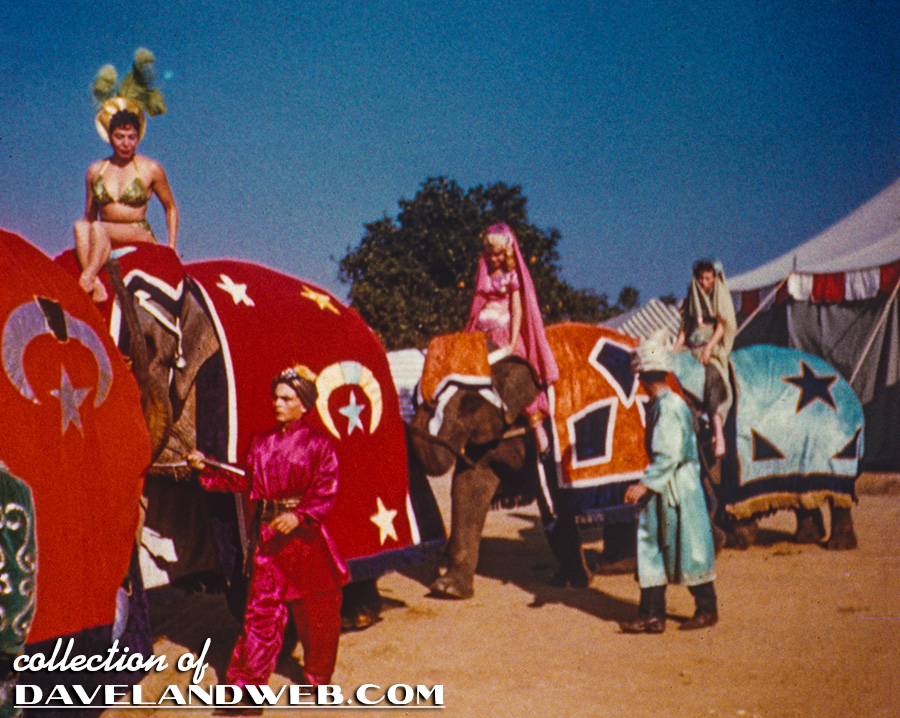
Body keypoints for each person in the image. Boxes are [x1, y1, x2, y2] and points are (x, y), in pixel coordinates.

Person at [186, 365, 349, 695]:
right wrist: (207, 467)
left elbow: (325, 487)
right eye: (276, 397)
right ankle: (246, 689)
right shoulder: (261, 443)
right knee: (259, 617)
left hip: (306, 543)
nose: (277, 404)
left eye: (286, 398)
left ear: (303, 404)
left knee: (318, 617)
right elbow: (244, 479)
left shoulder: (320, 446)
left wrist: (301, 515)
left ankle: (318, 677)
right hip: (269, 544)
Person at [619, 333, 717, 633]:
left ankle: (706, 609)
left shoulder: (668, 406)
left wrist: (645, 484)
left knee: (687, 549)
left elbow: (669, 452)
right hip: (670, 489)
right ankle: (652, 614)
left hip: (676, 490)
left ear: (642, 377)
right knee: (654, 550)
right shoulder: (666, 403)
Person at [74, 51, 178, 303]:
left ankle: (86, 278)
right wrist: (86, 232)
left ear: (138, 136)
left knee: (98, 228)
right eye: (120, 137)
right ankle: (96, 283)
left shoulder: (151, 169)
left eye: (131, 137)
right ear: (110, 137)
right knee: (80, 226)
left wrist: (171, 247)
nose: (126, 143)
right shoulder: (96, 171)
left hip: (137, 231)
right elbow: (89, 216)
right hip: (104, 232)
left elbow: (170, 207)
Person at [464, 223, 559, 453]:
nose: (494, 258)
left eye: (497, 254)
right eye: (490, 254)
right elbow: (478, 304)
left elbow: (516, 309)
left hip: (504, 332)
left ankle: (537, 428)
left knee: (517, 374)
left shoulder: (512, 276)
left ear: (505, 252)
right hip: (482, 333)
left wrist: (513, 340)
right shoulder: (484, 275)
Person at [672, 259, 736, 457]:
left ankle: (718, 430)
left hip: (711, 347)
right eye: (700, 278)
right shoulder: (693, 296)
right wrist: (674, 351)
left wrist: (708, 348)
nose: (703, 282)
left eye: (707, 278)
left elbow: (722, 326)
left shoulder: (720, 295)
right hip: (691, 347)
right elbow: (686, 328)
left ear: (713, 278)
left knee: (713, 376)